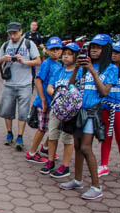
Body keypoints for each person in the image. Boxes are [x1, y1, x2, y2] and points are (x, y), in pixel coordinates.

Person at [60, 34, 118, 200]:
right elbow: (70, 84)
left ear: (105, 49)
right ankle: (78, 180)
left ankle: (96, 186)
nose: (94, 50)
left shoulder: (111, 69)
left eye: (98, 47)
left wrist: (92, 70)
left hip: (93, 112)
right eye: (93, 47)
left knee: (86, 147)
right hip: (78, 110)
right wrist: (78, 68)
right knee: (77, 146)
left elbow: (104, 91)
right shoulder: (83, 67)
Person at [0, 22, 41, 150]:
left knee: (23, 112)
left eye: (15, 33)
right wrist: (3, 59)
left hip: (25, 84)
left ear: (21, 31)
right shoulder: (5, 45)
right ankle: (9, 133)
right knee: (7, 111)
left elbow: (38, 61)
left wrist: (24, 61)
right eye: (10, 33)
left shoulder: (29, 44)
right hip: (9, 84)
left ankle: (20, 136)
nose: (12, 36)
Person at [43, 43, 80, 178]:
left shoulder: (79, 71)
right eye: (64, 53)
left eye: (70, 54)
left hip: (70, 112)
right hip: (56, 108)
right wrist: (58, 96)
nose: (66, 56)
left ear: (76, 56)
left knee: (67, 138)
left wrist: (67, 99)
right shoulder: (59, 70)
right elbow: (49, 87)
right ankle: (50, 161)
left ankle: (65, 165)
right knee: (52, 135)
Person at [26, 37, 63, 164]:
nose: (55, 52)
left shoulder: (59, 64)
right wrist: (42, 99)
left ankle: (45, 147)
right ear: (46, 50)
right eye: (52, 49)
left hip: (54, 102)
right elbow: (38, 80)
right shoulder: (46, 63)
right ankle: (31, 153)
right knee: (42, 128)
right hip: (44, 103)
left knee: (55, 128)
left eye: (57, 49)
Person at [99, 40, 120, 181]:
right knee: (106, 137)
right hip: (106, 106)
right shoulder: (108, 67)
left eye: (119, 52)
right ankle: (104, 164)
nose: (114, 54)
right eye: (114, 51)